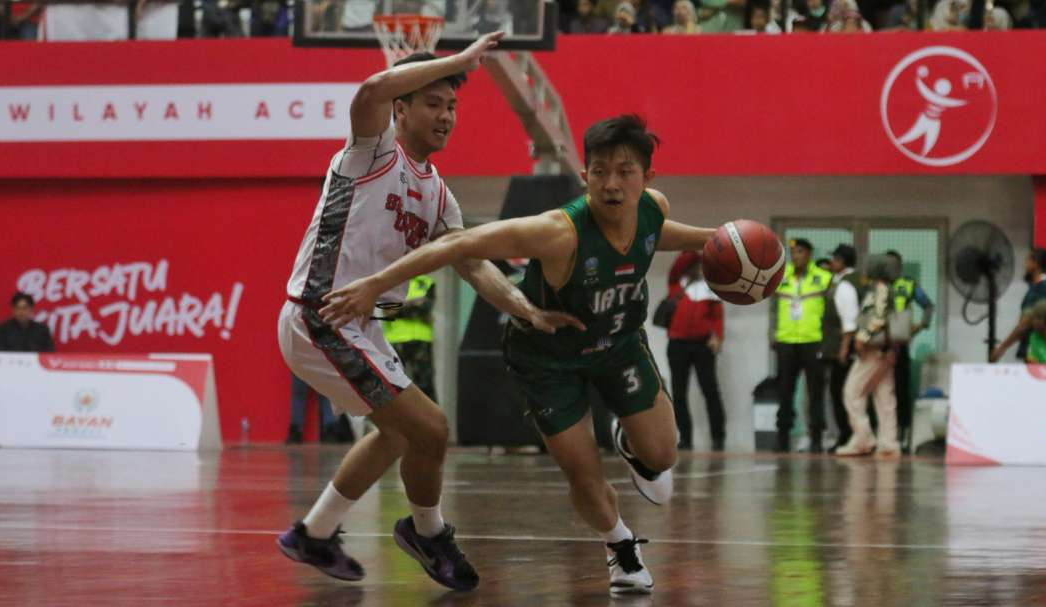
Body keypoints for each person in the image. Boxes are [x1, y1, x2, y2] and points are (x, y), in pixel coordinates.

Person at [318, 115, 723, 596]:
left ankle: (633, 445)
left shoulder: (653, 209)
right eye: (599, 171)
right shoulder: (558, 231)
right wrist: (376, 284)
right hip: (547, 360)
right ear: (584, 175)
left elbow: (658, 235)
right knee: (583, 473)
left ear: (647, 178)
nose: (611, 183)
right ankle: (619, 544)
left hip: (617, 343)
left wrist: (723, 239)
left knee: (663, 452)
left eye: (624, 171)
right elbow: (460, 242)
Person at [275, 33, 583, 591]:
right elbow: (370, 87)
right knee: (432, 429)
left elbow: (471, 263)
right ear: (403, 107)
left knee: (397, 436)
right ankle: (428, 532)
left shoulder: (439, 194)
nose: (446, 117)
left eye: (453, 106)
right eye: (434, 103)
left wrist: (526, 311)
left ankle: (313, 534)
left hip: (359, 327)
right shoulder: (372, 151)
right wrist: (461, 60)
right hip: (322, 314)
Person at [836, 256, 900, 458]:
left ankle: (863, 440)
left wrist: (862, 337)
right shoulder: (883, 288)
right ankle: (889, 444)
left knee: (852, 392)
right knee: (884, 397)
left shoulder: (880, 288)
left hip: (874, 351)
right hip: (886, 350)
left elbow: (879, 316)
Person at [773, 239, 831, 453]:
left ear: (809, 254)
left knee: (815, 392)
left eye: (800, 252)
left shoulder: (823, 278)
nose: (795, 256)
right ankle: (782, 436)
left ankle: (816, 437)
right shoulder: (781, 276)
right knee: (785, 391)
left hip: (812, 341)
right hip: (786, 341)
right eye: (793, 252)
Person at [665, 251, 726, 451]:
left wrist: (718, 336)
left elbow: (717, 317)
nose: (695, 268)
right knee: (679, 393)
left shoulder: (711, 288)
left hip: (703, 346)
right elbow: (679, 263)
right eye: (694, 265)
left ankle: (718, 439)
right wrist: (693, 246)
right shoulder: (677, 283)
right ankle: (686, 439)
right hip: (677, 345)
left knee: (710, 391)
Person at [884, 250, 934, 452]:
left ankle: (903, 432)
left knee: (901, 390)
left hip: (900, 346)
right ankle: (883, 433)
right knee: (880, 392)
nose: (890, 268)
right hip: (879, 346)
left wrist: (921, 325)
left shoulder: (909, 284)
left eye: (894, 264)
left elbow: (928, 306)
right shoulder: (877, 284)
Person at [821, 245, 860, 453]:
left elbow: (849, 320)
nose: (832, 263)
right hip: (848, 348)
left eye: (835, 259)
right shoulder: (856, 281)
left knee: (841, 393)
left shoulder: (845, 285)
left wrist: (844, 349)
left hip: (843, 350)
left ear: (842, 261)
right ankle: (850, 435)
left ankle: (847, 435)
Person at [992, 247, 1046, 363]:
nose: (1025, 264)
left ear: (1036, 264)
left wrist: (1002, 347)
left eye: (1028, 260)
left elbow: (1024, 324)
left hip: (1039, 353)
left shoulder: (1040, 289)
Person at [383, 275, 438, 400]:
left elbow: (426, 307)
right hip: (396, 340)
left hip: (421, 339)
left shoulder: (427, 282)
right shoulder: (390, 281)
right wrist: (415, 303)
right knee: (393, 384)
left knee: (425, 385)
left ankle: (428, 418)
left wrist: (400, 307)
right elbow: (388, 310)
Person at [286, 373, 338, 444]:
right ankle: (329, 431)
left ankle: (295, 431)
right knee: (326, 392)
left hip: (300, 363)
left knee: (298, 395)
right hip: (322, 363)